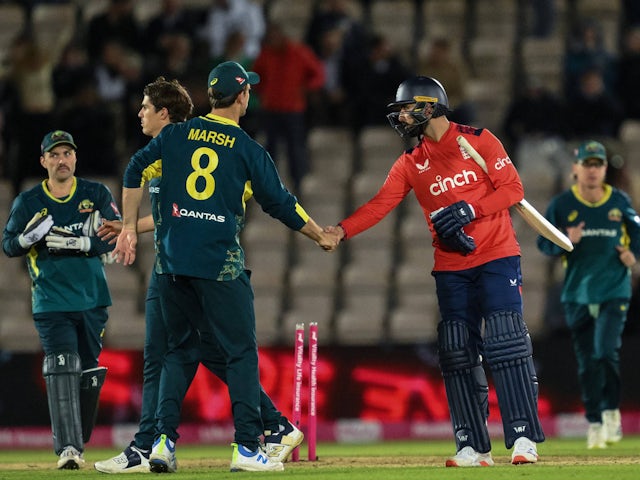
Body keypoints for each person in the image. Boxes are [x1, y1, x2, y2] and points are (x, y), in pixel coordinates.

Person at [111, 61, 338, 472]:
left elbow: (133, 169)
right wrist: (319, 234)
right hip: (221, 265)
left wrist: (128, 227)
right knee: (240, 354)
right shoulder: (249, 150)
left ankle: (162, 444)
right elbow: (281, 203)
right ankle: (248, 448)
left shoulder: (177, 134)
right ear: (243, 96)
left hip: (174, 265)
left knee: (179, 351)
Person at [324, 76, 545, 466]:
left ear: (430, 106)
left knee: (506, 341)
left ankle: (524, 438)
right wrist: (342, 230)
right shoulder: (410, 163)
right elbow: (380, 204)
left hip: (496, 255)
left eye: (408, 108)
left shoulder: (478, 139)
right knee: (457, 350)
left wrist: (470, 209)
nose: (402, 116)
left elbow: (513, 190)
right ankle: (472, 445)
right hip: (451, 266)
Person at [2, 130, 122, 469]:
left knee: (88, 373)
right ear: (44, 161)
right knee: (61, 363)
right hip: (50, 300)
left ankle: (78, 441)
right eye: (54, 155)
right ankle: (68, 448)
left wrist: (86, 244)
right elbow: (8, 245)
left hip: (93, 299)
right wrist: (27, 239)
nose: (62, 160)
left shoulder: (95, 193)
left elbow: (116, 234)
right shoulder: (28, 202)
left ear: (75, 158)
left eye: (67, 153)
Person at [537, 140, 640, 449]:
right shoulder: (562, 206)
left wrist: (632, 254)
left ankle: (610, 413)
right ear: (576, 168)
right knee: (586, 361)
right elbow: (544, 246)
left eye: (598, 165)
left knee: (606, 351)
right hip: (577, 293)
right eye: (587, 164)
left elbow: (637, 231)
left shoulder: (619, 201)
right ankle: (595, 421)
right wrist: (566, 240)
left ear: (604, 170)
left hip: (614, 289)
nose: (593, 170)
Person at [252, 22, 325, 194]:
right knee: (271, 150)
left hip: (293, 109)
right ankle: (270, 187)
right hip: (271, 109)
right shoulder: (266, 54)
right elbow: (256, 76)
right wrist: (264, 92)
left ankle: (298, 185)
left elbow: (318, 74)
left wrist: (307, 88)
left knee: (294, 149)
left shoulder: (299, 52)